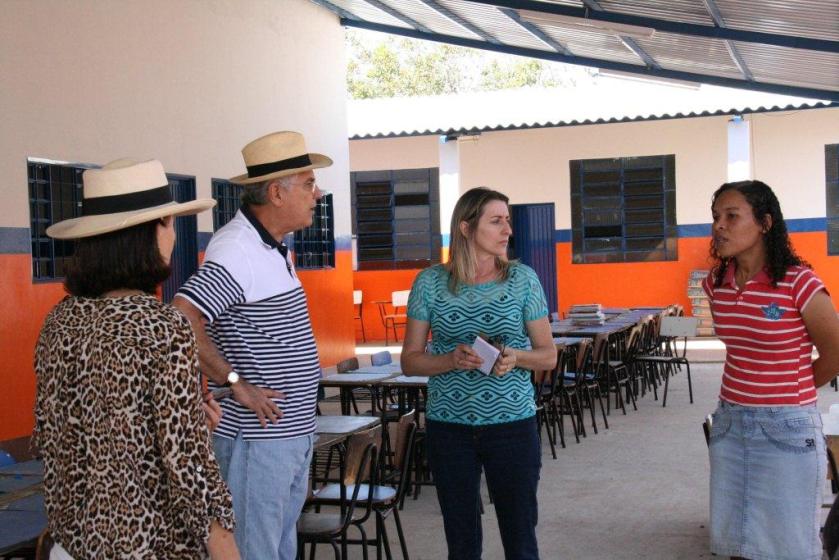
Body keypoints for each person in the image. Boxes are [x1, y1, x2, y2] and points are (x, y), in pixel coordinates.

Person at [33, 159, 239, 559]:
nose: (173, 235)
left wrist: (189, 423)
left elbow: (63, 434)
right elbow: (187, 468)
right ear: (150, 232)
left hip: (72, 546)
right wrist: (226, 547)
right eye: (169, 223)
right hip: (146, 546)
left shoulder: (58, 321)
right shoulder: (163, 327)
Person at [173, 131, 330, 560]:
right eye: (309, 184)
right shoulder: (237, 249)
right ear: (276, 193)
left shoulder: (273, 247)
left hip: (286, 436)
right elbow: (182, 317)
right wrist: (235, 382)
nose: (317, 194)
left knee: (277, 550)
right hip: (257, 442)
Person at [401, 187, 557, 560]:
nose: (508, 230)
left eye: (508, 221)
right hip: (448, 429)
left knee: (520, 539)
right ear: (466, 227)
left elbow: (548, 355)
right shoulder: (429, 283)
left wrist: (515, 358)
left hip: (513, 427)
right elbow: (410, 361)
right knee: (461, 542)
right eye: (496, 221)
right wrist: (450, 360)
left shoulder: (523, 280)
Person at [704, 180, 839, 560]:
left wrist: (789, 390)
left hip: (787, 430)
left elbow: (835, 352)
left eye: (732, 216)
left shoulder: (799, 283)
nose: (719, 226)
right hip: (730, 426)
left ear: (765, 223)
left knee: (787, 546)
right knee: (736, 543)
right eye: (716, 216)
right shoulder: (716, 285)